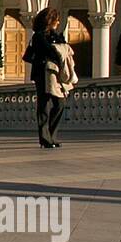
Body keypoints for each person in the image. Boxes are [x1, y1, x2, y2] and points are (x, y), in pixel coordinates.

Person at [24, 8, 74, 148]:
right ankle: (45, 138)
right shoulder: (38, 36)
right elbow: (49, 52)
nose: (58, 22)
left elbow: (64, 48)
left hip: (55, 74)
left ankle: (51, 135)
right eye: (56, 19)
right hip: (42, 74)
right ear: (50, 20)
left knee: (60, 102)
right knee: (44, 105)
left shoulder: (56, 35)